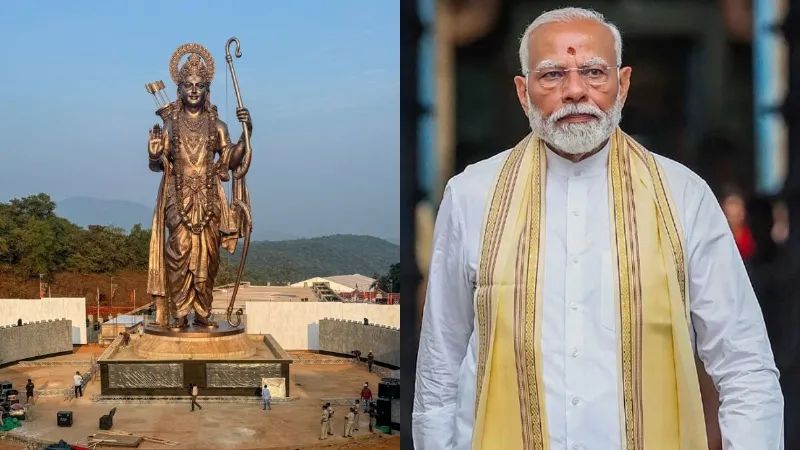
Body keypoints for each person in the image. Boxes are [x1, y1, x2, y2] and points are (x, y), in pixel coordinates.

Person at [412, 7, 783, 449]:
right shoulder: (472, 196)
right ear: (523, 92)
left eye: (593, 72)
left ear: (622, 84)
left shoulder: (683, 196)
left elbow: (745, 367)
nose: (574, 91)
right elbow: (439, 368)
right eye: (552, 75)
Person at [146, 43, 252, 328]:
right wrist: (154, 154)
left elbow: (230, 159)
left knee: (209, 254)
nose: (194, 90)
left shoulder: (217, 126)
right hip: (177, 197)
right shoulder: (170, 126)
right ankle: (180, 312)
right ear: (179, 89)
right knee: (179, 251)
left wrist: (247, 133)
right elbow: (158, 165)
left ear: (207, 90)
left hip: (209, 197)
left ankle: (203, 311)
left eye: (199, 86)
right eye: (188, 85)